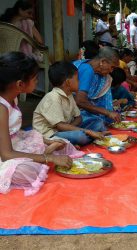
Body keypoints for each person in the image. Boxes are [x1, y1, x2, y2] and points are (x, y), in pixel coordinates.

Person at [0, 52, 82, 196]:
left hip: (15, 142)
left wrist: (46, 140)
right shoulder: (1, 108)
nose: (37, 82)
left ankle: (45, 151)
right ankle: (44, 155)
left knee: (63, 143)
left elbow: (15, 132)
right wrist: (49, 158)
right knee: (27, 171)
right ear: (20, 84)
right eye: (35, 79)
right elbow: (6, 154)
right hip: (4, 153)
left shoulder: (13, 98)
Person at [33, 62, 106, 146]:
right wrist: (87, 131)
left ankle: (83, 139)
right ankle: (88, 138)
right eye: (77, 79)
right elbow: (60, 126)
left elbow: (79, 118)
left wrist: (70, 128)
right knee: (80, 136)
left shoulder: (69, 95)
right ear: (68, 82)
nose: (80, 82)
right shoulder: (52, 97)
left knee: (98, 122)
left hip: (64, 130)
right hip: (50, 134)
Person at [74, 47, 121, 127]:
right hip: (72, 114)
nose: (111, 71)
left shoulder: (89, 67)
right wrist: (108, 112)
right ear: (103, 61)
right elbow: (80, 101)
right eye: (112, 67)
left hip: (78, 112)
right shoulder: (87, 69)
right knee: (99, 123)